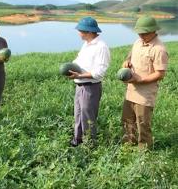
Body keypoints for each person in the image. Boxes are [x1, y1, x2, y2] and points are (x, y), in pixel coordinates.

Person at [121, 15, 168, 149]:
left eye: (145, 33)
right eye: (139, 33)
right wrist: (127, 62)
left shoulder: (159, 49)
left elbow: (160, 74)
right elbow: (130, 57)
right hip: (131, 91)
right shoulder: (138, 42)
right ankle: (128, 146)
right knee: (127, 120)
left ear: (154, 31)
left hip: (145, 94)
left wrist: (140, 79)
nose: (141, 36)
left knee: (142, 124)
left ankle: (144, 153)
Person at [66, 17, 110, 147]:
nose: (78, 33)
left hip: (91, 87)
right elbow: (78, 61)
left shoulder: (101, 47)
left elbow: (99, 72)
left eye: (80, 30)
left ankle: (90, 144)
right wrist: (70, 68)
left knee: (88, 116)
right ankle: (77, 140)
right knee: (78, 114)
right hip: (80, 85)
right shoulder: (87, 44)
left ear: (89, 32)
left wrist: (80, 74)